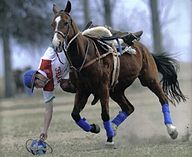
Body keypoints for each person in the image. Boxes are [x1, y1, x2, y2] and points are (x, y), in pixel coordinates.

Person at [23, 45, 76, 141]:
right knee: (65, 86)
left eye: (35, 85)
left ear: (37, 76)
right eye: (34, 87)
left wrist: (58, 43)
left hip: (73, 52)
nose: (37, 88)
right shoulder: (47, 88)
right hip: (74, 69)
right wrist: (44, 131)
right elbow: (48, 110)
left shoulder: (45, 61)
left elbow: (53, 44)